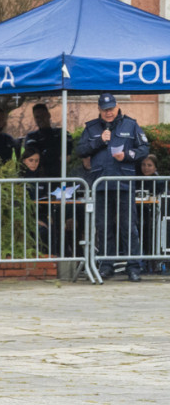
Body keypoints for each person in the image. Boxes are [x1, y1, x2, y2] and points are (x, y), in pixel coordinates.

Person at [76, 92, 149, 281]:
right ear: (99, 109)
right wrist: (100, 140)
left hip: (124, 182)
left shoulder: (130, 124)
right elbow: (80, 150)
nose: (109, 113)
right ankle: (106, 265)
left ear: (117, 107)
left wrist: (127, 155)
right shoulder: (91, 128)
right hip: (100, 183)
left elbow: (144, 149)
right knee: (104, 226)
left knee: (128, 226)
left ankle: (133, 267)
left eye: (111, 109)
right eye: (105, 109)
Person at [22, 103, 73, 178]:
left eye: (43, 116)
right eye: (37, 117)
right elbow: (32, 157)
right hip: (38, 177)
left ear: (49, 115)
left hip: (58, 176)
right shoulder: (31, 136)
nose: (40, 119)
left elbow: (66, 157)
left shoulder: (61, 133)